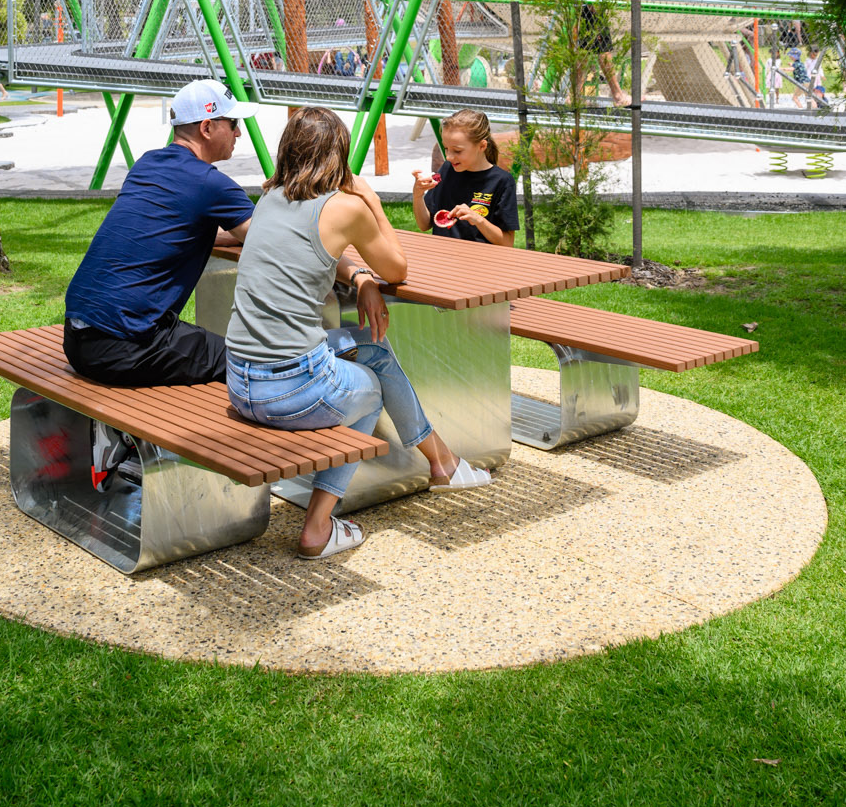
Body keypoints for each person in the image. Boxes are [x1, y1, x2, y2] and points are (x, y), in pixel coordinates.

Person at [225, 106, 490, 561]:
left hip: (241, 381)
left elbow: (320, 256)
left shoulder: (268, 198)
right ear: (338, 155)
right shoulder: (344, 207)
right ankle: (318, 526)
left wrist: (361, 279)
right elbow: (398, 266)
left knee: (372, 348)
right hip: (287, 390)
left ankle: (441, 461)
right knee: (369, 388)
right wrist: (370, 199)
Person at [62, 78, 255, 389]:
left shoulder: (147, 164)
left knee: (199, 343)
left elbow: (172, 228)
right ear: (207, 128)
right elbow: (269, 235)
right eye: (232, 123)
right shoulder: (209, 182)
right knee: (250, 363)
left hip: (76, 337)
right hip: (126, 346)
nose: (238, 132)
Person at [411, 107, 519, 247]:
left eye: (457, 151)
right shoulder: (446, 170)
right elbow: (424, 225)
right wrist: (417, 195)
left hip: (480, 262)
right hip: (442, 258)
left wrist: (478, 220)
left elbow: (507, 242)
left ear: (482, 146)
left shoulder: (502, 181)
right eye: (446, 148)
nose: (449, 157)